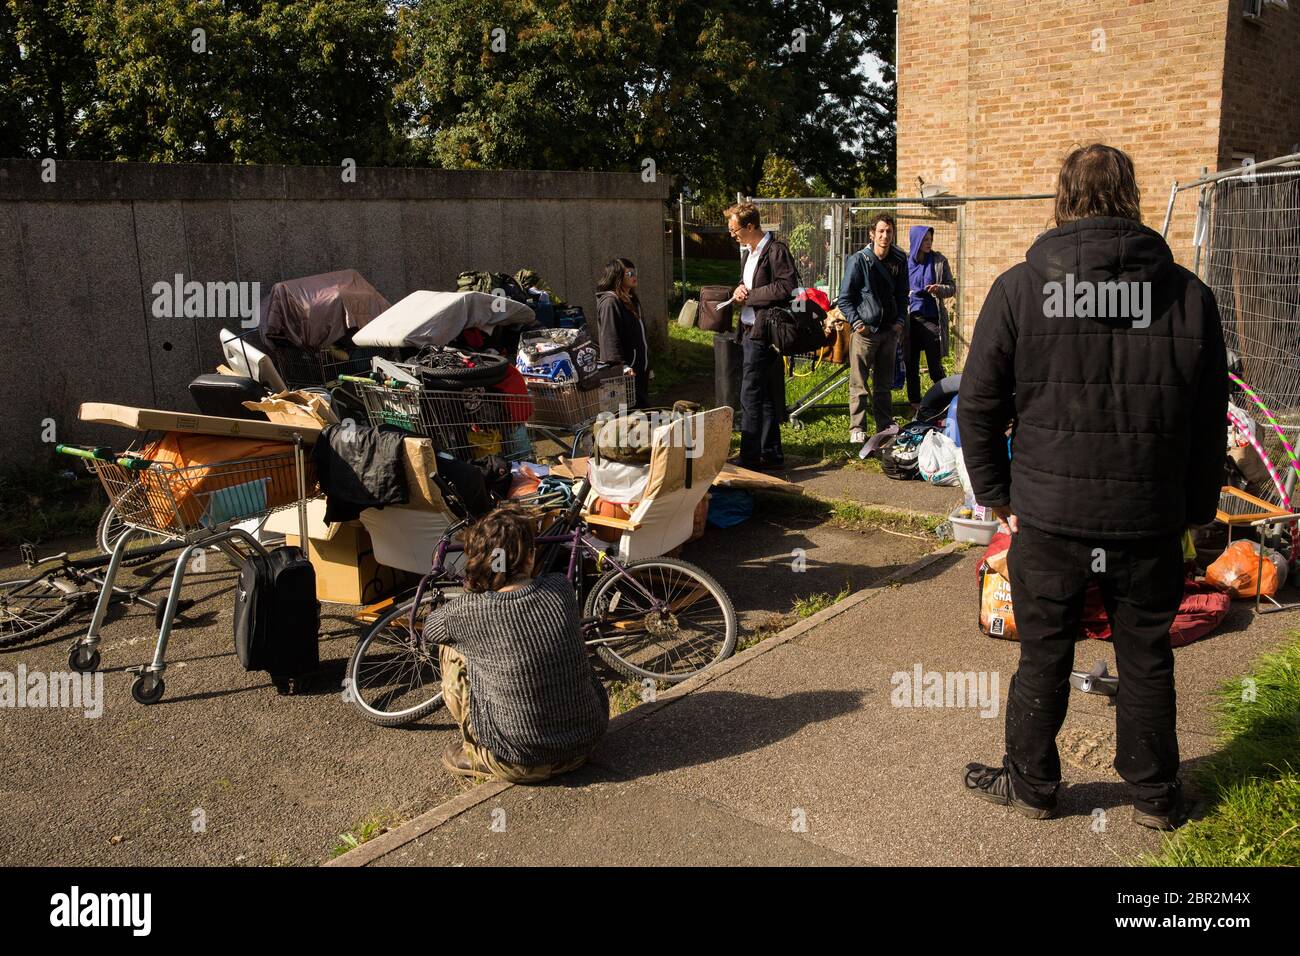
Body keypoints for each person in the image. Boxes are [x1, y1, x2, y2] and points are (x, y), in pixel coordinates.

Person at [957, 143, 1228, 830]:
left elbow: (978, 406)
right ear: (1131, 199)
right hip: (1146, 522)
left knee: (1043, 655)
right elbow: (1206, 427)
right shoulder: (1190, 298)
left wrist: (1000, 499)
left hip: (1049, 521)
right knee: (1145, 657)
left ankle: (1033, 786)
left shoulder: (1021, 288)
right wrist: (1196, 514)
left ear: (1062, 197)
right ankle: (1156, 798)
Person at [424, 506, 609, 783]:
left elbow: (431, 629)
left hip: (517, 760)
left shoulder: (467, 611)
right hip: (587, 743)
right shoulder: (560, 588)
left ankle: (474, 751)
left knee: (450, 648)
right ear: (530, 556)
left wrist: (474, 591)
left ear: (477, 559)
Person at [725, 201, 799, 471]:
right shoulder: (749, 253)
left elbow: (787, 287)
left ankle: (749, 457)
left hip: (763, 331)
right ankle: (772, 453)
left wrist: (752, 296)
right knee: (765, 393)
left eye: (734, 230)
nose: (732, 235)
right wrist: (740, 291)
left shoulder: (776, 251)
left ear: (750, 226)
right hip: (749, 329)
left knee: (750, 394)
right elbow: (753, 284)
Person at [838, 213, 909, 454]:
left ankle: (885, 428)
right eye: (880, 231)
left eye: (888, 231)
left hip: (889, 332)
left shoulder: (899, 259)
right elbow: (845, 298)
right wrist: (858, 323)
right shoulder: (859, 261)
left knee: (884, 385)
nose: (885, 236)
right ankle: (857, 428)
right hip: (865, 333)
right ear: (872, 233)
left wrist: (899, 322)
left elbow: (902, 295)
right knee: (859, 383)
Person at [904, 226, 957, 417]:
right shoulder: (905, 263)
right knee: (911, 364)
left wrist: (939, 289)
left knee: (935, 366)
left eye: (930, 240)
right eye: (925, 240)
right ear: (916, 241)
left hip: (931, 319)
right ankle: (915, 404)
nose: (929, 243)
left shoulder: (938, 261)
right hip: (910, 320)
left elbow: (952, 288)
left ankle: (945, 402)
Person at [595, 257, 651, 408]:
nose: (634, 276)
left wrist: (647, 365)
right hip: (625, 373)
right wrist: (622, 367)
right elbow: (609, 338)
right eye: (629, 273)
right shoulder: (610, 302)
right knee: (629, 418)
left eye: (635, 272)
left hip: (639, 369)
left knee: (644, 413)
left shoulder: (632, 299)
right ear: (617, 275)